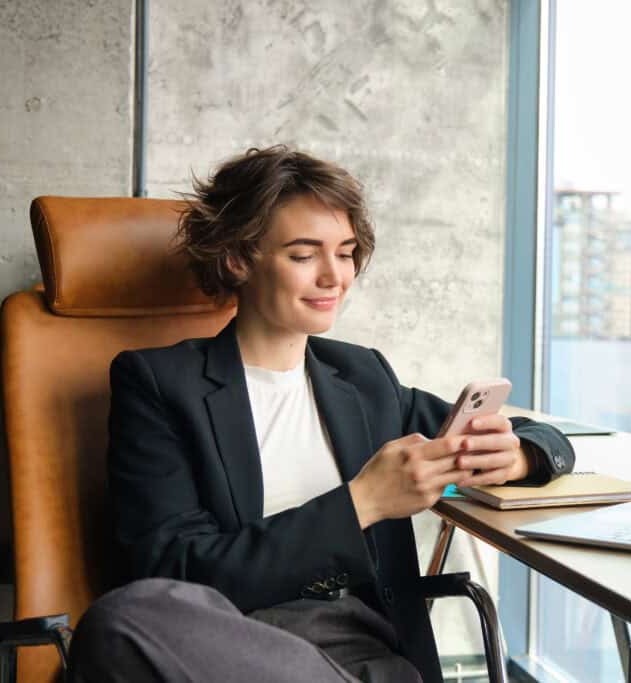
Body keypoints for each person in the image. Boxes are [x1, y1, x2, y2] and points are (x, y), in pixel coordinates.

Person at [67, 146, 575, 683]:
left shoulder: (363, 379)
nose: (335, 277)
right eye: (304, 255)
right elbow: (174, 571)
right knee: (122, 620)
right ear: (239, 259)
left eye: (347, 252)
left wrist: (518, 455)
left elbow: (546, 439)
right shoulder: (161, 385)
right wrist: (362, 502)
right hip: (232, 649)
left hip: (365, 658)